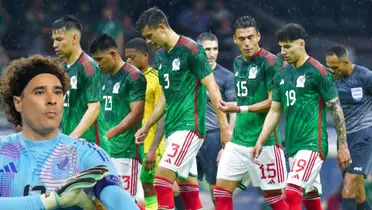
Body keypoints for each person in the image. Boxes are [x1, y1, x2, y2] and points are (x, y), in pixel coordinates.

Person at [0, 54, 139, 210]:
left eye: (58, 92)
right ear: (18, 103)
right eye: (40, 92)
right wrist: (52, 200)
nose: (52, 100)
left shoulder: (85, 152)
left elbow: (117, 196)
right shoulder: (3, 151)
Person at [134, 7, 232, 210]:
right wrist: (147, 126)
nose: (149, 42)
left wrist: (224, 127)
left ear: (161, 27)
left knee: (161, 181)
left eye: (150, 36)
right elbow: (164, 97)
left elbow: (212, 87)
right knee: (188, 188)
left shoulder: (191, 49)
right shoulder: (161, 57)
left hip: (190, 126)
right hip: (172, 128)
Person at [251, 23, 351, 210]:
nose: (283, 51)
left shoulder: (318, 72)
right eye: (281, 46)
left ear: (301, 44)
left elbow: (336, 109)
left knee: (291, 191)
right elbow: (274, 111)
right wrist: (260, 140)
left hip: (312, 144)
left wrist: (343, 145)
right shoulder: (281, 75)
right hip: (293, 145)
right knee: (311, 199)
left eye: (287, 46)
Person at [215, 16, 287, 210]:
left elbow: (274, 103)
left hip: (264, 142)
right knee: (221, 193)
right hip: (238, 141)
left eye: (251, 37)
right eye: (242, 38)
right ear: (235, 39)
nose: (247, 43)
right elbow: (246, 98)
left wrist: (239, 108)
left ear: (258, 36)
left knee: (274, 199)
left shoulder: (271, 62)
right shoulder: (238, 62)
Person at [89, 34, 147, 206]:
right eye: (95, 60)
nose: (97, 64)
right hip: (104, 151)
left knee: (126, 201)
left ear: (113, 54)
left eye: (100, 59)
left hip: (126, 151)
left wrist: (109, 134)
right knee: (101, 201)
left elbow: (136, 113)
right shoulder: (101, 76)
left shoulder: (133, 76)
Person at [125, 37, 178, 210]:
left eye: (132, 57)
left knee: (153, 188)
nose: (128, 61)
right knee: (137, 191)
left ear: (146, 55)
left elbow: (162, 115)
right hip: (131, 147)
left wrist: (154, 148)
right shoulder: (126, 79)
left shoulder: (156, 80)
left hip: (151, 146)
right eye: (126, 57)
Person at [51, 15, 110, 153]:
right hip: (71, 146)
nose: (54, 44)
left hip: (92, 147)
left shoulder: (88, 66)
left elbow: (94, 108)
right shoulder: (62, 69)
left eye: (59, 39)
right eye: (53, 40)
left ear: (75, 38)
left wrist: (72, 138)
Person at [326, 45, 372, 210]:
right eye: (329, 67)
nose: (332, 71)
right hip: (343, 140)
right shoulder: (330, 79)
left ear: (347, 62)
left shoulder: (365, 77)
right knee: (359, 193)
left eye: (335, 67)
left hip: (364, 136)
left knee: (347, 189)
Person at [195, 32, 236, 206]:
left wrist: (229, 139)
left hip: (213, 137)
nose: (212, 53)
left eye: (215, 49)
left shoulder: (226, 76)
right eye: (207, 49)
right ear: (198, 51)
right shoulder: (191, 74)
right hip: (191, 135)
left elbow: (233, 111)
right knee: (183, 185)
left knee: (215, 188)